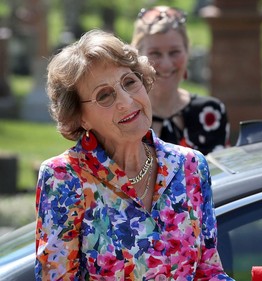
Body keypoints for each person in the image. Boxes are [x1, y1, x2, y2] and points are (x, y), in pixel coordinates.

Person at [34, 29, 234, 280]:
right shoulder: (63, 178)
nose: (127, 101)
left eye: (129, 82)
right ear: (80, 117)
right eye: (104, 95)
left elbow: (208, 271)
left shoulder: (190, 166)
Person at [131, 6, 230, 155]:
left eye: (174, 52)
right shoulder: (126, 117)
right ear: (138, 57)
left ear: (187, 52)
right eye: (155, 53)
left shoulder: (211, 112)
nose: (166, 64)